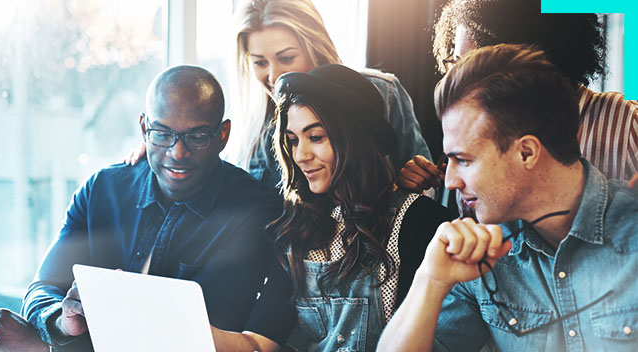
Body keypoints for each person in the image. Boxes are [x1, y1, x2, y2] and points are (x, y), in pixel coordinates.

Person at [0, 65, 279, 352]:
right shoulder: (102, 189)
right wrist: (62, 322)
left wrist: (44, 346)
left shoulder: (252, 210)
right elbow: (42, 288)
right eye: (162, 134)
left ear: (222, 135)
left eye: (197, 136)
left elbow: (194, 338)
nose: (177, 152)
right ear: (144, 128)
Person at [377, 44, 638, 351]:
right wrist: (430, 280)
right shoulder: (483, 254)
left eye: (464, 160)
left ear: (526, 152)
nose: (449, 181)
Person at [210, 64, 450, 351]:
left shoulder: (421, 222)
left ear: (355, 138)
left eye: (316, 137)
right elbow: (258, 344)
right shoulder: (297, 230)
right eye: (292, 140)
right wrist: (191, 328)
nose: (300, 155)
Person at [125, 0, 432, 192]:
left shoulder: (380, 92)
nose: (273, 76)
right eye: (259, 62)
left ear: (315, 47)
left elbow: (426, 181)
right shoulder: (250, 124)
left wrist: (413, 181)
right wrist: (166, 139)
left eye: (286, 58)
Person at [398, 0, 638, 198]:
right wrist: (415, 198)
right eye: (457, 64)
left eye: (473, 67)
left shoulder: (627, 125)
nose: (460, 83)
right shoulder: (475, 139)